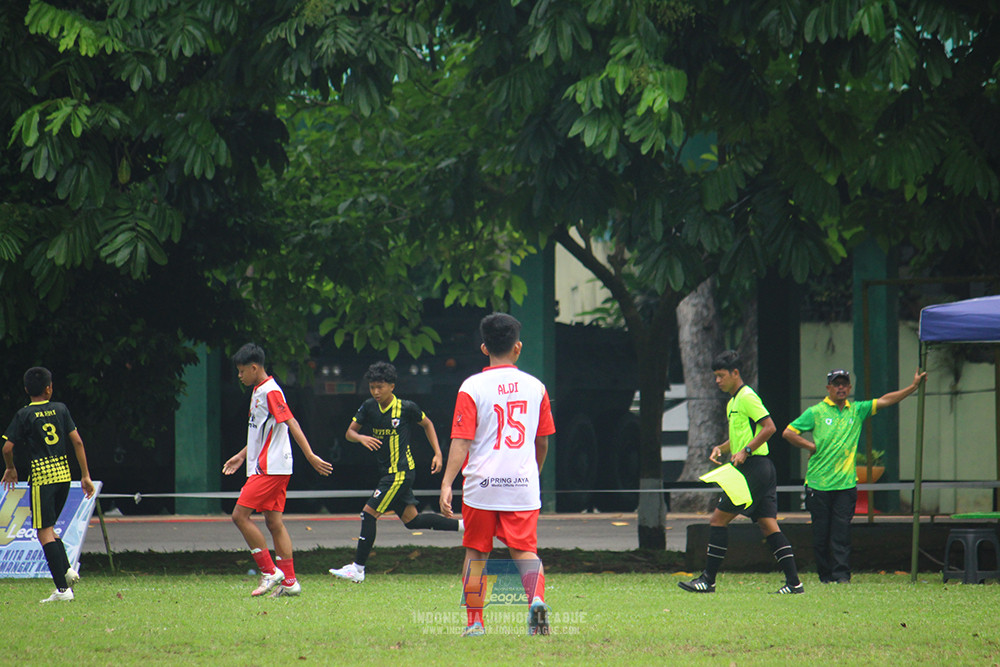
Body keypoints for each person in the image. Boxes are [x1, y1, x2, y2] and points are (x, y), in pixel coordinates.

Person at [440, 312, 556, 637]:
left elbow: (461, 441)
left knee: (476, 551)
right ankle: (535, 601)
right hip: (522, 485)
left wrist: (447, 482)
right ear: (517, 348)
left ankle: (475, 622)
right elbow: (542, 441)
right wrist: (534, 474)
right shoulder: (536, 387)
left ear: (483, 347)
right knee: (525, 550)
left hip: (481, 486)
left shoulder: (471, 387)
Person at [783, 368, 927, 583]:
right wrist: (809, 445)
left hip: (845, 484)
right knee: (821, 535)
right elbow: (788, 432)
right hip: (818, 484)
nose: (841, 387)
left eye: (844, 383)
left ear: (850, 388)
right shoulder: (816, 412)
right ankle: (825, 576)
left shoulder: (857, 410)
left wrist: (913, 387)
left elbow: (886, 401)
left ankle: (842, 577)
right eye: (836, 384)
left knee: (841, 534)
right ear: (828, 388)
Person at [679, 350, 804, 595]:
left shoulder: (747, 396)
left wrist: (746, 450)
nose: (717, 380)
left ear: (736, 373)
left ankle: (708, 580)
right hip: (760, 468)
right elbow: (742, 435)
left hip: (753, 469)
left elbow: (770, 427)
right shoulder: (732, 402)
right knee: (769, 526)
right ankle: (794, 583)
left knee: (717, 520)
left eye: (721, 375)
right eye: (715, 376)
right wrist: (722, 447)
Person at [329, 361, 460, 583]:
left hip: (400, 472)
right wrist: (361, 438)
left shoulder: (406, 407)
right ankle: (465, 526)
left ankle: (358, 569)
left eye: (380, 386)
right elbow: (350, 432)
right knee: (413, 521)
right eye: (372, 387)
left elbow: (427, 424)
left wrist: (438, 453)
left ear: (391, 386)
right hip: (387, 472)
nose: (376, 392)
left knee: (368, 513)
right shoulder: (369, 407)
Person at [222, 343, 332, 598]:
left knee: (239, 515)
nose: (239, 376)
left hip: (270, 468)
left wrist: (310, 455)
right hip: (272, 466)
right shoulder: (259, 390)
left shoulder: (270, 391)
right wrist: (241, 456)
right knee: (274, 522)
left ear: (253, 367)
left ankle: (269, 571)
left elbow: (291, 421)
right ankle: (290, 582)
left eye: (241, 371)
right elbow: (261, 433)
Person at [1, 367, 95, 603]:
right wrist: (85, 475)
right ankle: (67, 571)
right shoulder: (61, 409)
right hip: (64, 477)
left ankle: (63, 590)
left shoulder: (24, 415)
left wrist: (11, 468)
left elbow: (7, 448)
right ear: (49, 388)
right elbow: (78, 442)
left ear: (26, 390)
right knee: (50, 529)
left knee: (43, 533)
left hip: (43, 480)